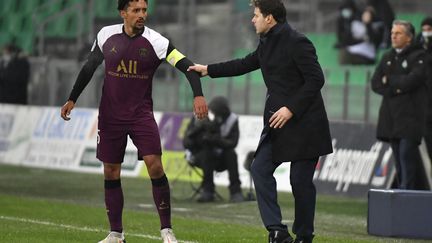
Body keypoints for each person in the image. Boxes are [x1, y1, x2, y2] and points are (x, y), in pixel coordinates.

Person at [60, 0, 208, 243]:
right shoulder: (105, 35)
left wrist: (198, 94)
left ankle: (167, 231)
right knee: (110, 171)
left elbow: (187, 66)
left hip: (141, 115)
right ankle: (116, 234)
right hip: (110, 116)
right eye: (136, 10)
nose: (142, 15)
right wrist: (72, 99)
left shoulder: (157, 42)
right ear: (123, 13)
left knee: (155, 166)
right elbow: (89, 67)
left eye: (144, 10)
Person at [188, 0, 333, 242]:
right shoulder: (266, 44)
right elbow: (245, 63)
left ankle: (305, 236)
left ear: (270, 18)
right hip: (278, 125)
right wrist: (208, 69)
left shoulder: (297, 42)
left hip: (305, 124)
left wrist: (291, 109)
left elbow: (316, 79)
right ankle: (276, 230)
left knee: (300, 182)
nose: (252, 19)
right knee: (259, 169)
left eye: (256, 15)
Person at [371, 20, 427, 190]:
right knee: (398, 160)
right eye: (392, 33)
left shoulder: (420, 56)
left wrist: (390, 81)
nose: (393, 36)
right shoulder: (387, 56)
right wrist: (396, 88)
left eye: (398, 33)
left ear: (409, 38)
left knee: (406, 156)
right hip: (391, 118)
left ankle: (407, 196)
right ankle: (405, 196)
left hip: (411, 118)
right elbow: (376, 83)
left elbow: (413, 80)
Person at [183, 96, 244, 203]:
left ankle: (236, 192)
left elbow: (233, 143)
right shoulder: (199, 116)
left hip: (220, 158)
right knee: (207, 153)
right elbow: (187, 142)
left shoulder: (232, 120)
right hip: (199, 157)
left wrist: (216, 139)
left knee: (231, 154)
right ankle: (207, 190)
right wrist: (199, 133)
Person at [335, 0, 384, 65]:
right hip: (353, 49)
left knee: (345, 54)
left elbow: (375, 40)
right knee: (343, 53)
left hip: (367, 53)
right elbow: (344, 39)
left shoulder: (374, 22)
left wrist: (368, 24)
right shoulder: (349, 21)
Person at [417, 17, 432, 168]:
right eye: (425, 30)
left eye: (429, 29)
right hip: (425, 107)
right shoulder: (417, 48)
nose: (427, 33)